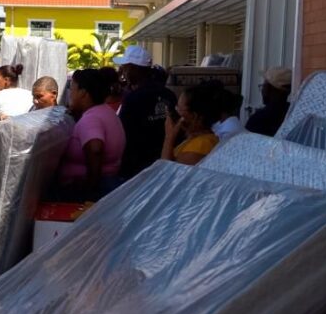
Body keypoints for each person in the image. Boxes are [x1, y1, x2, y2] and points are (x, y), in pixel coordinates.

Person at [54, 68, 126, 202]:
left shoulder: (91, 118)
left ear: (83, 93)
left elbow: (95, 149)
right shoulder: (105, 111)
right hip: (109, 182)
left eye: (72, 89)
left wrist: (89, 190)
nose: (70, 94)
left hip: (91, 190)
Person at [114, 46, 177, 180]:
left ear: (134, 69)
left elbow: (123, 134)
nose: (123, 72)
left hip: (137, 168)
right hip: (166, 163)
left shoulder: (133, 99)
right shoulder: (168, 94)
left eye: (125, 68)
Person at [163, 81, 224, 166]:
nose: (176, 112)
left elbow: (165, 170)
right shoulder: (200, 138)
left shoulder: (199, 146)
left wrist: (169, 137)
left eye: (179, 109)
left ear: (194, 116)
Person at [246, 67, 293, 136]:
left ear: (269, 88)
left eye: (263, 86)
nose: (262, 91)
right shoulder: (293, 112)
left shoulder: (258, 119)